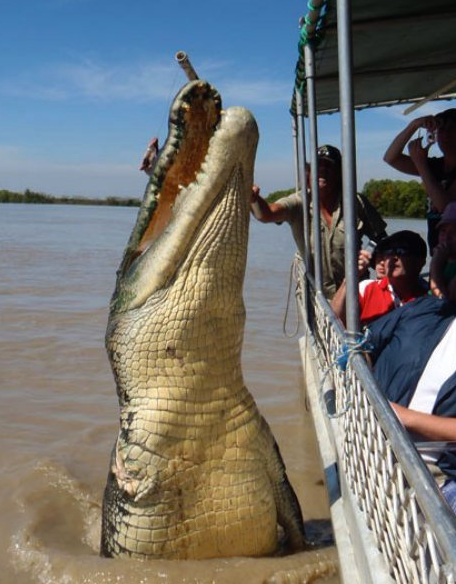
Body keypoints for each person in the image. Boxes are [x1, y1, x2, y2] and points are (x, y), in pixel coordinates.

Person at [250, 145, 387, 299]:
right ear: (309, 173)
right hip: (319, 298)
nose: (322, 170)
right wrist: (254, 199)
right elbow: (267, 214)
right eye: (318, 166)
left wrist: (371, 257)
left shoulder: (356, 202)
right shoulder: (299, 202)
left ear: (339, 173)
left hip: (356, 291)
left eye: (329, 166)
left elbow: (381, 238)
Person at [367, 295, 456, 512]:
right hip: (371, 442)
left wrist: (404, 417)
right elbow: (365, 344)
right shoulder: (423, 309)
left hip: (435, 474)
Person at [384, 108, 456, 252]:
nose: (445, 135)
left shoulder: (426, 166)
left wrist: (420, 163)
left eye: (452, 129)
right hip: (440, 252)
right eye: (441, 130)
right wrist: (414, 125)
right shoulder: (436, 166)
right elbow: (391, 158)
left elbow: (445, 206)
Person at [331, 231, 428, 326]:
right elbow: (332, 321)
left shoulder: (429, 298)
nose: (393, 257)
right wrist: (349, 278)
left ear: (420, 261)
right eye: (389, 251)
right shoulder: (366, 289)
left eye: (401, 251)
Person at [430, 201, 456, 303]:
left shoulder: (438, 261)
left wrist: (435, 263)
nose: (446, 237)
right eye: (443, 231)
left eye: (454, 231)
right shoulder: (444, 262)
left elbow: (443, 302)